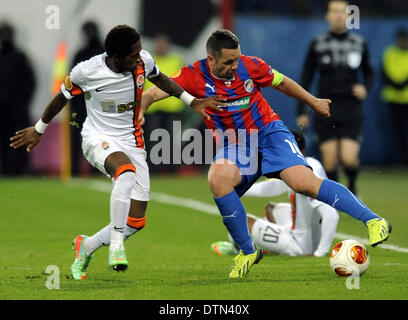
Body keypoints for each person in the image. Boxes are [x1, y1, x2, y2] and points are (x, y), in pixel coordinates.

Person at [140, 29, 390, 279]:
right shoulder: (193, 75)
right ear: (211, 60)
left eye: (236, 59)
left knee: (303, 182)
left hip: (269, 133)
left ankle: (373, 221)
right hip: (235, 145)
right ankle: (248, 251)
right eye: (228, 61)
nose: (235, 65)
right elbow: (152, 93)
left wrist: (312, 101)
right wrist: (141, 111)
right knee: (218, 179)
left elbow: (283, 83)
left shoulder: (251, 66)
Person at [10, 25, 225, 280]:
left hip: (132, 141)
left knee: (135, 221)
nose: (138, 59)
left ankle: (87, 245)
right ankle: (116, 247)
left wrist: (192, 101)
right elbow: (61, 98)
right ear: (115, 57)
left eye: (139, 52)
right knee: (125, 173)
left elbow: (162, 79)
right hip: (98, 138)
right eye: (132, 56)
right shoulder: (87, 71)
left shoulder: (143, 60)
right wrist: (39, 129)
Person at [211, 130, 339, 257]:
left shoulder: (308, 174)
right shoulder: (308, 165)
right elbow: (276, 186)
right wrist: (237, 190)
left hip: (300, 245)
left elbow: (332, 215)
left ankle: (238, 250)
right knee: (272, 209)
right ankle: (274, 245)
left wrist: (319, 254)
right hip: (312, 232)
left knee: (239, 222)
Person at [296, 0, 374, 195]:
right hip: (325, 107)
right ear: (328, 16)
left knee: (349, 158)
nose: (339, 15)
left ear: (349, 16)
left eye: (343, 12)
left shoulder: (359, 43)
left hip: (350, 108)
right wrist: (302, 110)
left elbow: (370, 73)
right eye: (334, 11)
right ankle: (339, 195)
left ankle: (352, 186)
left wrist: (365, 87)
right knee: (329, 161)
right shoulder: (318, 43)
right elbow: (306, 77)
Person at [143, 34, 185, 174]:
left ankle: (173, 169)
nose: (161, 47)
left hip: (172, 107)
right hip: (153, 106)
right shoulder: (148, 62)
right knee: (154, 140)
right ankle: (154, 169)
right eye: (159, 44)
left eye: (163, 44)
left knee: (171, 140)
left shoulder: (175, 60)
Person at [0, 22, 35, 176]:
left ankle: (22, 169)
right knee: (3, 141)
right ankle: (5, 169)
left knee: (21, 140)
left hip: (18, 110)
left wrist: (23, 103)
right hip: (2, 110)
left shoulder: (21, 57)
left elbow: (30, 82)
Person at [70, 21, 105, 176]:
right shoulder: (99, 54)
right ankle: (76, 169)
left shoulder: (103, 54)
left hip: (95, 104)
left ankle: (91, 169)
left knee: (96, 138)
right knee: (81, 138)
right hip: (84, 104)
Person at [382, 28, 408, 165]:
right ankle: (401, 161)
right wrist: (399, 83)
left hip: (406, 99)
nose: (402, 42)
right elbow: (385, 74)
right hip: (393, 100)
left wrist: (401, 83)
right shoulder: (390, 53)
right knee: (397, 133)